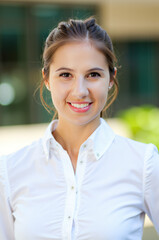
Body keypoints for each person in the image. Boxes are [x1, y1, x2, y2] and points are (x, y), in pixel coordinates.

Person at [0, 17, 159, 240]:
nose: (80, 91)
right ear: (46, 79)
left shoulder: (144, 164)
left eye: (93, 74)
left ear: (111, 78)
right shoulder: (10, 170)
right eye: (65, 75)